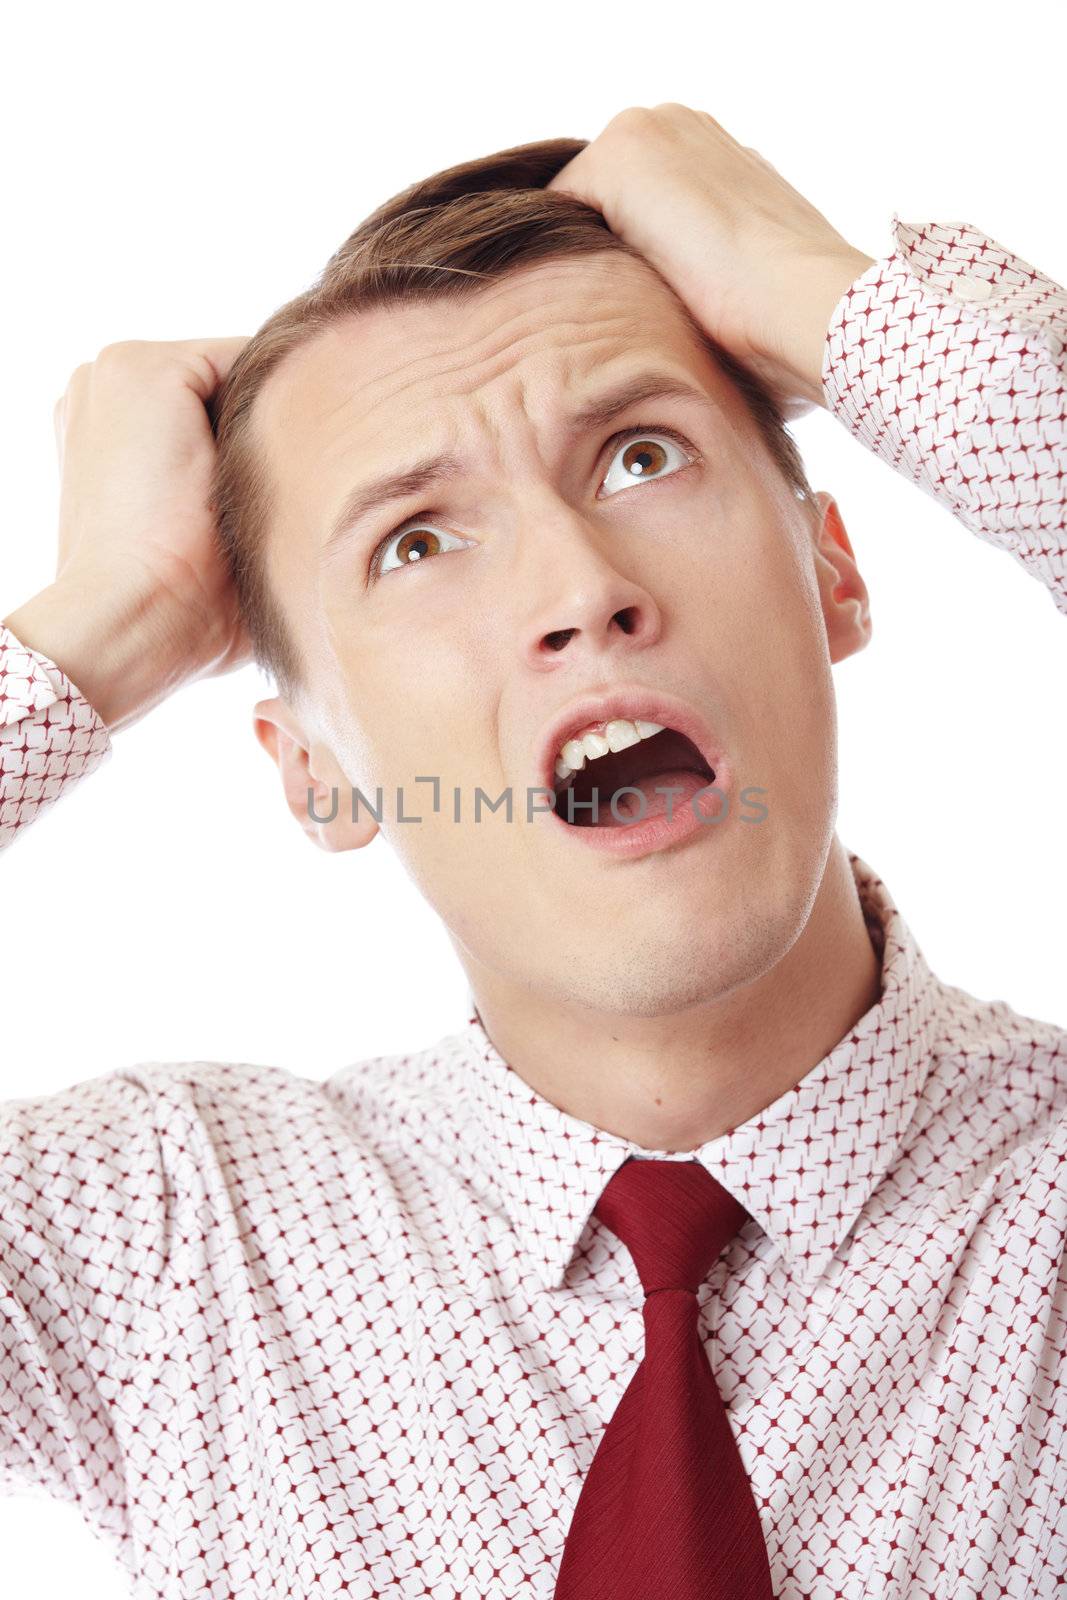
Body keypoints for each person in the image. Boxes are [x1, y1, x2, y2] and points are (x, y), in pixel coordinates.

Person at [1, 104, 1064, 1599]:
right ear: (316, 774)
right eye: (416, 542)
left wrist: (824, 296)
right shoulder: (164, 1245)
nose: (581, 589)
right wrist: (106, 619)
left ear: (832, 571)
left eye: (640, 456)